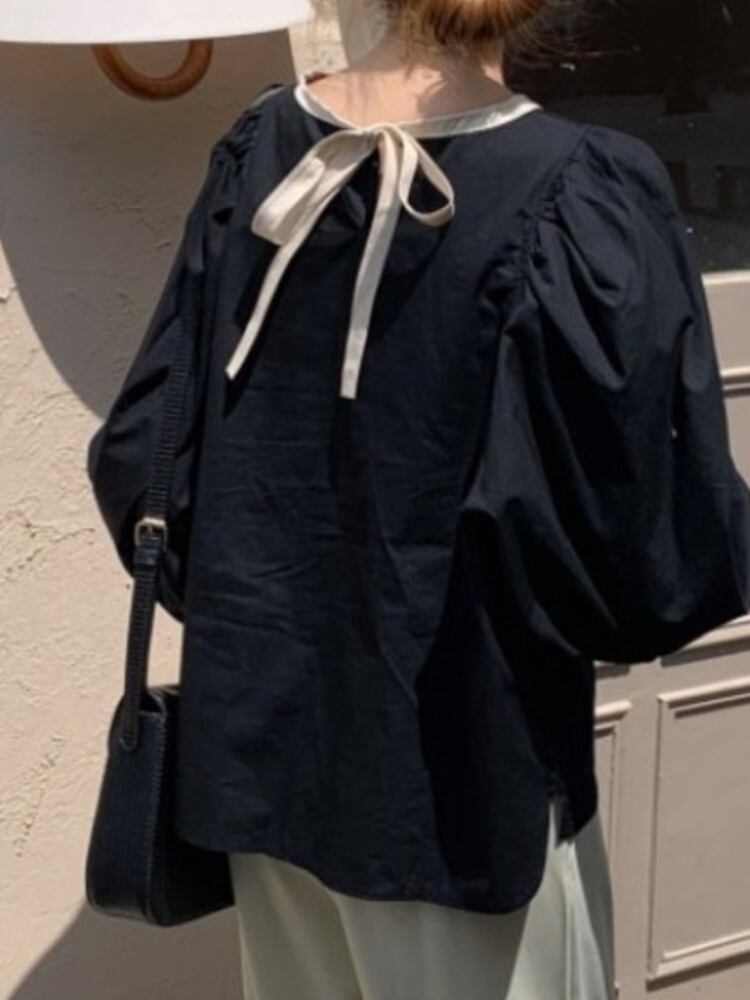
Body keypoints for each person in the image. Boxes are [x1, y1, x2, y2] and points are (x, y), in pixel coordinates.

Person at [86, 0, 750, 997]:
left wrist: (266, 617)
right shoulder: (578, 187)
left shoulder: (258, 155)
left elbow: (146, 456)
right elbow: (641, 549)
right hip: (469, 787)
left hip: (262, 758)